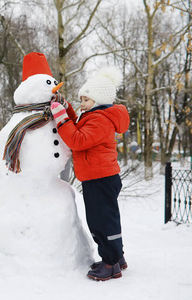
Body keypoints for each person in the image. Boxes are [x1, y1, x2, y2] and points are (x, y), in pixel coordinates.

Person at [50, 67, 130, 281]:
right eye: (81, 100)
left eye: (86, 100)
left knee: (101, 222)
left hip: (100, 178)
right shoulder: (95, 116)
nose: (82, 104)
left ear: (99, 99)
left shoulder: (100, 120)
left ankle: (110, 264)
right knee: (108, 219)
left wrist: (60, 118)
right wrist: (65, 108)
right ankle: (117, 258)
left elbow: (77, 140)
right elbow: (78, 125)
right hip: (99, 177)